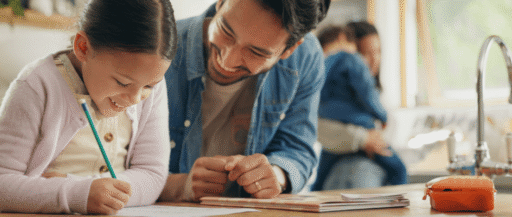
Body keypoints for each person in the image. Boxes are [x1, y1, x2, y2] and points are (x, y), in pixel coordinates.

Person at [0, 0, 177, 214]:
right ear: (83, 47)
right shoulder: (38, 85)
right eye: (122, 83)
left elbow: (152, 176)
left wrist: (89, 189)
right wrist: (78, 193)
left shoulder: (150, 87)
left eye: (149, 86)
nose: (135, 99)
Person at [158, 0, 331, 202]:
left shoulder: (305, 58)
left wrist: (277, 174)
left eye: (256, 52)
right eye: (226, 31)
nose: (227, 61)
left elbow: (297, 148)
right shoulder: (159, 45)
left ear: (289, 50)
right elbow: (118, 170)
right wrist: (179, 186)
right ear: (221, 3)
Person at [310, 22, 407, 191]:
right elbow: (318, 127)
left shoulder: (330, 69)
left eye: (377, 51)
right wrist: (364, 139)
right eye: (365, 53)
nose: (373, 59)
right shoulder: (351, 66)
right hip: (349, 163)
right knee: (399, 169)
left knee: (318, 184)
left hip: (344, 157)